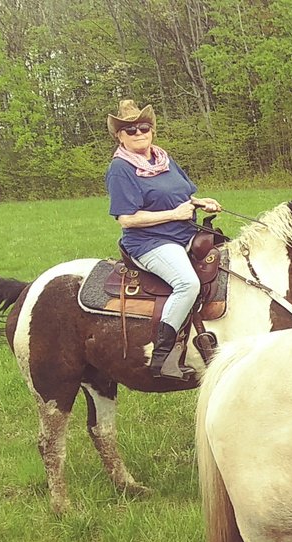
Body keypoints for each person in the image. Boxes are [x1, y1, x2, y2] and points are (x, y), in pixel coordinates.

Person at [105, 99, 222, 380]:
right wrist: (174, 214)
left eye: (143, 127)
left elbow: (181, 195)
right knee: (187, 283)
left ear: (152, 130)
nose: (138, 133)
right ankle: (163, 358)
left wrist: (199, 202)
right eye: (130, 130)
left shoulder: (162, 159)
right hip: (149, 242)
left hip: (184, 232)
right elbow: (126, 218)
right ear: (120, 136)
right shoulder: (121, 169)